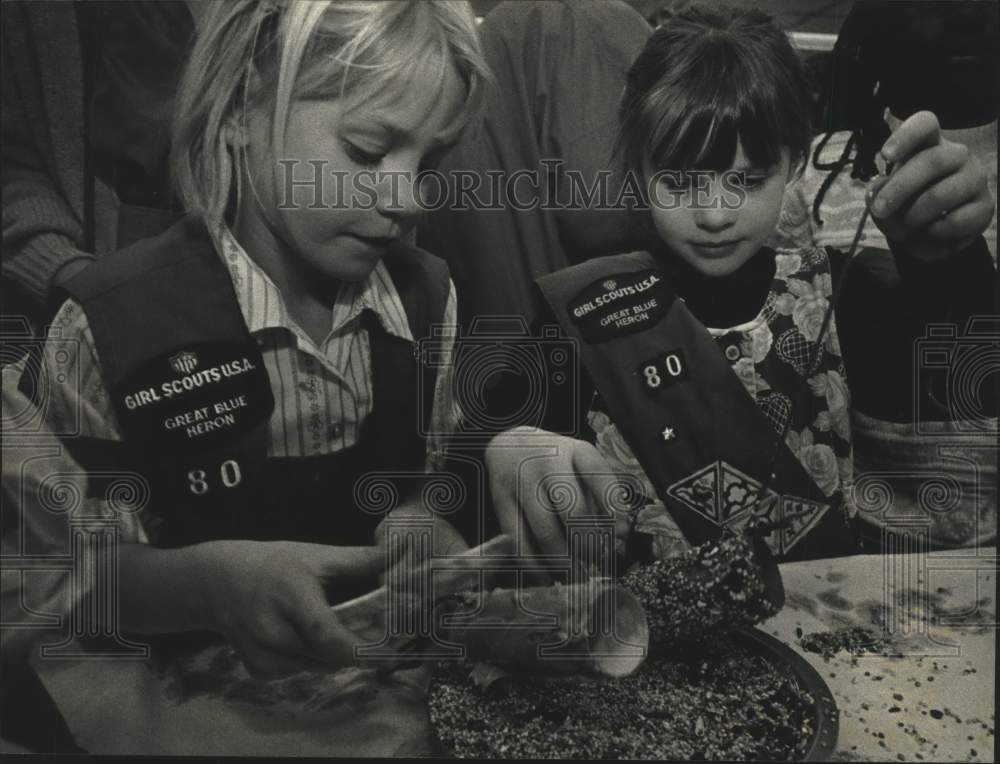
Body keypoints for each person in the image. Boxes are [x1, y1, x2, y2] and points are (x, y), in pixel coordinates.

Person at [2, 0, 487, 680]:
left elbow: (419, 482)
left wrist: (413, 524)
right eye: (367, 151)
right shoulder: (107, 327)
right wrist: (206, 586)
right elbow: (64, 582)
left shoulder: (430, 298)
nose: (408, 198)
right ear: (237, 115)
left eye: (428, 160)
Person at [485, 3, 996, 565]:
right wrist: (503, 448)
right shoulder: (581, 314)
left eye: (747, 180)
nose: (714, 214)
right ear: (636, 171)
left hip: (822, 632)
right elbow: (468, 466)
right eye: (679, 182)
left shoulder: (843, 295)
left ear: (795, 164)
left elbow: (968, 406)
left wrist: (951, 263)